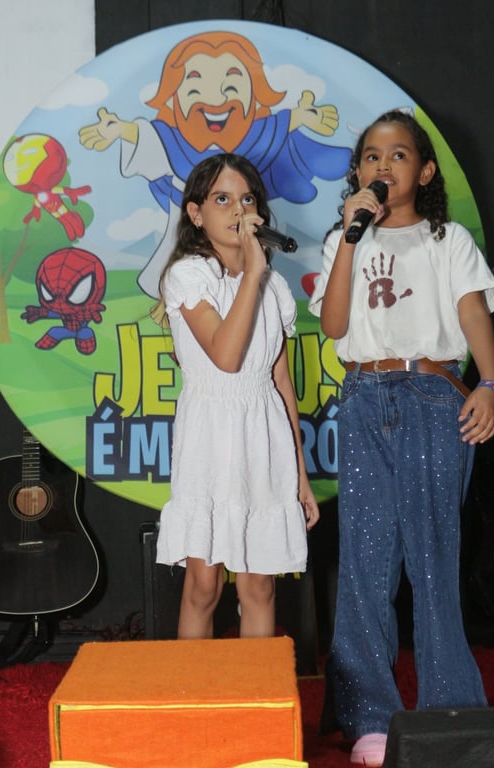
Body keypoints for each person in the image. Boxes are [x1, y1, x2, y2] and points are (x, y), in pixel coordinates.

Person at [308, 110, 494, 767]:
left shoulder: (446, 239)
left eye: (398, 155)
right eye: (371, 155)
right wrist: (348, 239)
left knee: (432, 558)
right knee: (365, 561)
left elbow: (472, 311)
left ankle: (450, 711)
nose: (383, 164)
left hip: (431, 396)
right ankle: (369, 717)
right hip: (364, 397)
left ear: (423, 172)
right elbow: (334, 325)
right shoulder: (344, 238)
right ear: (357, 172)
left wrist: (491, 385)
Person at [155, 153, 320, 641]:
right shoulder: (188, 276)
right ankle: (195, 689)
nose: (237, 210)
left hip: (264, 434)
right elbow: (225, 357)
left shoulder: (274, 287)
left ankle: (257, 692)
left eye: (247, 200)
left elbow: (281, 383)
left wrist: (300, 474)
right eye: (222, 199)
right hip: (209, 434)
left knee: (260, 586)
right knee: (204, 585)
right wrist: (251, 274)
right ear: (196, 213)